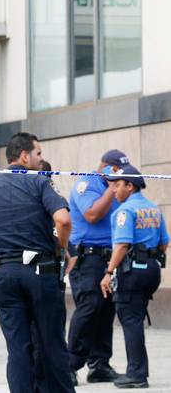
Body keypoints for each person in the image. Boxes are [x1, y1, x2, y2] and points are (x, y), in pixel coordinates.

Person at [0, 132, 74, 393]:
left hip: (5, 275)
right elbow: (64, 220)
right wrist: (62, 247)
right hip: (41, 273)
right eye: (38, 153)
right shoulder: (39, 183)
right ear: (24, 156)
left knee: (18, 349)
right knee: (52, 345)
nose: (40, 159)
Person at [101, 165, 168, 389]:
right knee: (135, 319)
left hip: (132, 270)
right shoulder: (153, 209)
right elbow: (165, 241)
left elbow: (121, 245)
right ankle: (137, 371)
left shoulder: (124, 211)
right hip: (151, 270)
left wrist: (108, 272)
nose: (114, 191)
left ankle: (137, 374)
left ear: (130, 186)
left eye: (118, 185)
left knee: (130, 321)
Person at [67, 150, 128, 385]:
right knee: (89, 306)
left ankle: (99, 364)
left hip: (110, 257)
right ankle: (70, 364)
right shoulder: (86, 184)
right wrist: (112, 189)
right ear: (106, 167)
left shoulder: (117, 186)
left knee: (106, 309)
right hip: (88, 257)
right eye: (116, 170)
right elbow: (92, 214)